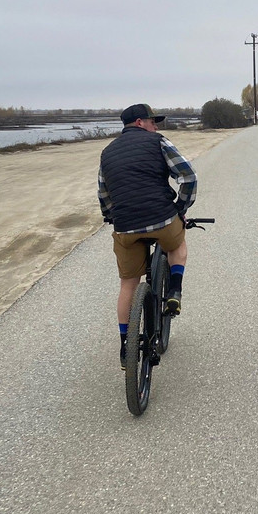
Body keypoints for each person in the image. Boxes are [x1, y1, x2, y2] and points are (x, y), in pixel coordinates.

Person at [98, 103, 197, 370]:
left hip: (125, 226)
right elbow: (188, 177)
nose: (156, 126)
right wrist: (181, 209)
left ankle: (125, 346)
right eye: (153, 121)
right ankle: (174, 290)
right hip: (162, 219)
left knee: (128, 284)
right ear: (140, 122)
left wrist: (111, 216)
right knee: (178, 244)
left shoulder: (107, 152)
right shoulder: (158, 142)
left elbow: (104, 193)